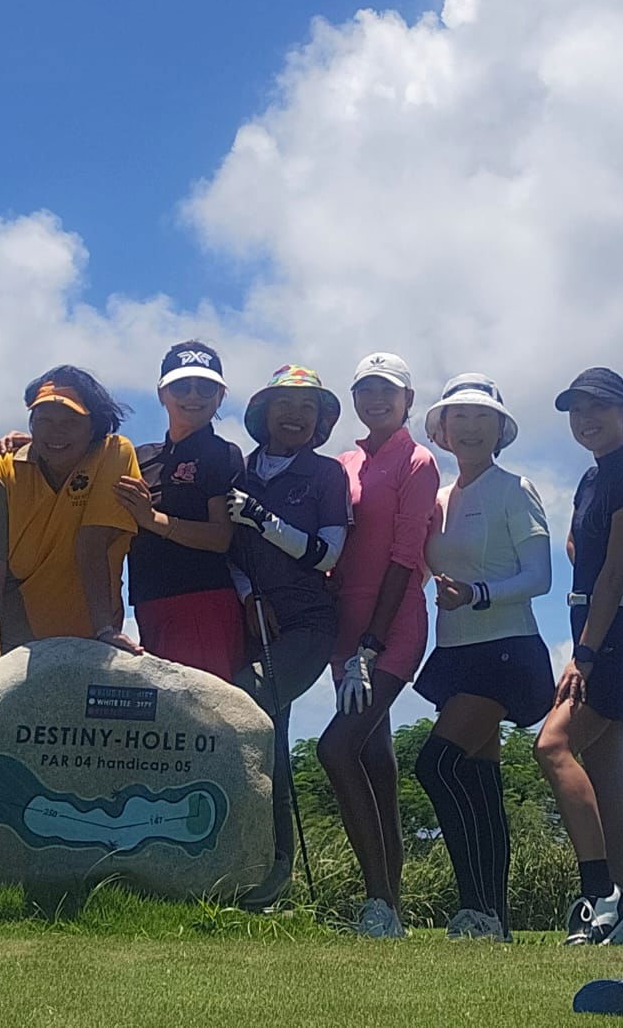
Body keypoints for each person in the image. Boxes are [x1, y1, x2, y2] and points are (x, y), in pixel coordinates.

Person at [412, 374, 553, 942]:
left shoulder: (515, 488)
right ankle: (490, 915)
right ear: (443, 431)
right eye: (458, 417)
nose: (469, 427)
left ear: (499, 429)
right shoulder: (441, 499)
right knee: (477, 778)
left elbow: (539, 576)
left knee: (435, 764)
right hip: (455, 650)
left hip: (504, 651)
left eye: (481, 417)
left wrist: (477, 594)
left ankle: (478, 909)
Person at [533, 368, 623, 946]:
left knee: (552, 745)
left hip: (615, 636)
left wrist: (583, 654)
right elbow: (581, 552)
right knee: (607, 787)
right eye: (576, 411)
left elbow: (614, 573)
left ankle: (598, 894)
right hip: (596, 628)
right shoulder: (592, 479)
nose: (586, 420)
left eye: (598, 408)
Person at [319, 353, 439, 939]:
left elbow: (406, 555)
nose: (376, 400)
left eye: (388, 391)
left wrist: (370, 643)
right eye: (365, 390)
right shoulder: (345, 461)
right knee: (375, 763)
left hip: (391, 629)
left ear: (408, 400)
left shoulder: (418, 462)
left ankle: (377, 905)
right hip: (345, 628)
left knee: (336, 750)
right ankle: (394, 909)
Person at [226, 364, 349, 910]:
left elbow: (327, 553)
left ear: (320, 419)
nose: (295, 415)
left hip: (309, 625)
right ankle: (252, 868)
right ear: (264, 413)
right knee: (263, 732)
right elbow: (228, 551)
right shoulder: (239, 468)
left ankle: (274, 869)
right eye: (284, 404)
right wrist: (249, 593)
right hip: (252, 621)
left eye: (307, 406)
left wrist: (260, 517)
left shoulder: (327, 475)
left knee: (254, 704)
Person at [0, 367, 141, 693]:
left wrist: (103, 631)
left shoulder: (114, 453)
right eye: (44, 420)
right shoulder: (3, 469)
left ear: (93, 426)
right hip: (7, 628)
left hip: (88, 632)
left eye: (70, 422)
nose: (56, 433)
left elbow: (91, 545)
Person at [111, 341, 245, 681]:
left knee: (201, 717)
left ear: (220, 396)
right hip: (148, 601)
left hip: (202, 600)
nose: (193, 395)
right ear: (161, 393)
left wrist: (151, 519)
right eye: (181, 385)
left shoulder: (222, 454)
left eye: (206, 386)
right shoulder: (139, 457)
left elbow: (221, 537)